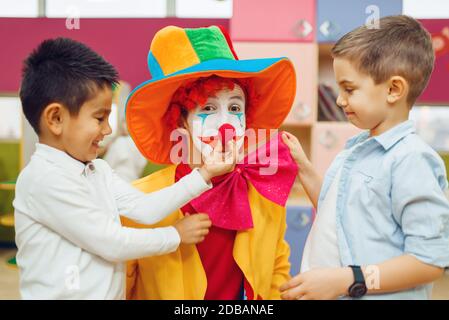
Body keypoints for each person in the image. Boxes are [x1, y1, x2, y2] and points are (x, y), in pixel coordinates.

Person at [13, 37, 237, 299]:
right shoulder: (43, 179)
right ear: (56, 118)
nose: (108, 129)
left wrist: (204, 174)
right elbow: (112, 243)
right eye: (99, 118)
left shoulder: (97, 170)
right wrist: (174, 235)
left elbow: (146, 209)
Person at [122, 25, 298, 299]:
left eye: (235, 108)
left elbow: (277, 267)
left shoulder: (263, 188)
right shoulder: (142, 200)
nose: (226, 123)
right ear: (180, 119)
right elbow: (122, 286)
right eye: (208, 108)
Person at [280, 15, 449, 300]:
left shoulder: (412, 160)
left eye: (349, 89)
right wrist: (304, 169)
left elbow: (429, 261)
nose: (338, 100)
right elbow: (341, 214)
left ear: (394, 90)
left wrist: (349, 279)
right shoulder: (355, 149)